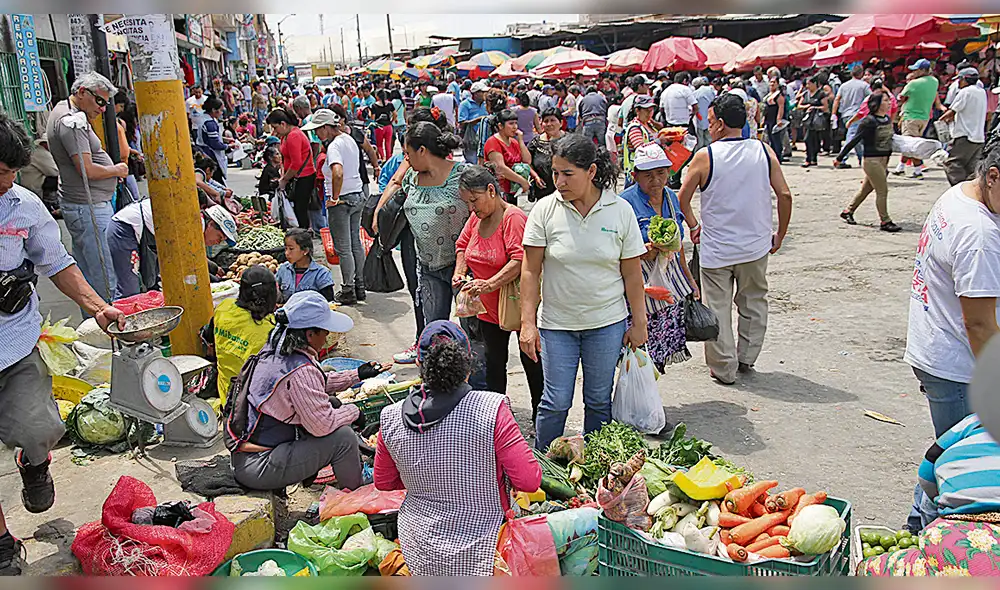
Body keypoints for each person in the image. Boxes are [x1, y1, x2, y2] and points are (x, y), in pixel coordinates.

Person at [0, 113, 125, 574]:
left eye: (14, 172)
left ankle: (34, 461)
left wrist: (97, 306)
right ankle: (2, 546)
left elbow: (57, 262)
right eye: (1, 173)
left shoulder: (23, 206)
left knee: (42, 430)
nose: (8, 182)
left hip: (13, 342)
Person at [374, 320, 541, 576]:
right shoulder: (492, 409)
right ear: (467, 365)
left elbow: (384, 482)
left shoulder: (390, 417)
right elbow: (529, 481)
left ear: (419, 364)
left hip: (418, 549)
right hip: (484, 550)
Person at [521, 134, 648, 451]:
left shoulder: (619, 211)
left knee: (598, 399)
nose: (559, 181)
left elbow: (632, 273)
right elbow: (530, 270)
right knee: (555, 401)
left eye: (567, 174)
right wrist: (527, 323)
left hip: (606, 323)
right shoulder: (544, 211)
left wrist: (640, 322)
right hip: (557, 325)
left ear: (591, 172)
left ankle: (594, 465)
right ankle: (544, 466)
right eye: (555, 172)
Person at [903, 133, 1000, 530]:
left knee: (947, 453)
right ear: (993, 176)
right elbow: (978, 324)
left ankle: (916, 526)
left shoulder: (962, 192)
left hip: (938, 349)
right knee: (962, 466)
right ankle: (929, 540)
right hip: (960, 368)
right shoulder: (979, 236)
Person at [678, 93, 793, 385]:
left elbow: (682, 198)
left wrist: (694, 225)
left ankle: (724, 368)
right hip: (755, 246)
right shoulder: (763, 151)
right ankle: (747, 358)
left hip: (717, 250)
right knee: (753, 301)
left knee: (717, 306)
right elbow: (784, 194)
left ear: (717, 123)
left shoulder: (707, 156)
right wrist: (780, 233)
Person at [228, 291, 387, 493]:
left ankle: (349, 474)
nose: (327, 337)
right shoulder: (299, 370)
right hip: (258, 465)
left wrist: (358, 374)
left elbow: (315, 383)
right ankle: (357, 496)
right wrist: (355, 412)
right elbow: (323, 425)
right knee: (344, 438)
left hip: (250, 456)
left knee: (334, 404)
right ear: (309, 334)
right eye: (324, 332)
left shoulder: (275, 351)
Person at [453, 167, 545, 415]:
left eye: (475, 200)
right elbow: (461, 245)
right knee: (494, 364)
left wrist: (490, 283)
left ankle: (542, 416)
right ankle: (498, 418)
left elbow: (520, 259)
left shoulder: (512, 218)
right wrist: (460, 272)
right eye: (467, 203)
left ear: (491, 190)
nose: (472, 208)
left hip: (516, 304)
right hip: (487, 309)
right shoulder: (476, 218)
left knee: (532, 361)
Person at [46, 72, 128, 302]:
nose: (102, 109)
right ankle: (109, 327)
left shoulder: (66, 112)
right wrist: (117, 170)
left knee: (90, 271)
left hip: (84, 204)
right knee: (103, 274)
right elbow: (87, 169)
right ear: (82, 92)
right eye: (99, 101)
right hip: (88, 207)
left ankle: (97, 326)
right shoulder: (72, 122)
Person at [620, 144, 699, 373]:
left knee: (659, 350)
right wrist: (644, 250)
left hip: (667, 288)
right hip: (639, 290)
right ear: (635, 176)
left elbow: (679, 244)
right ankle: (637, 400)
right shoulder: (624, 203)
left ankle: (648, 397)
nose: (655, 180)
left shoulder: (672, 199)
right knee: (636, 352)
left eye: (661, 173)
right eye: (648, 175)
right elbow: (615, 249)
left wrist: (689, 280)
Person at [107, 202, 237, 299]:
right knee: (129, 289)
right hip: (125, 230)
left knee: (152, 284)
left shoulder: (197, 226)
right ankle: (122, 328)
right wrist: (219, 281)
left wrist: (214, 269)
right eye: (219, 237)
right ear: (210, 225)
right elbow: (186, 264)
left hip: (145, 235)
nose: (218, 242)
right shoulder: (192, 226)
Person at [302, 109, 366, 304]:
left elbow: (337, 172)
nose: (316, 134)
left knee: (344, 247)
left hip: (343, 200)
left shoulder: (334, 146)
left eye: (317, 130)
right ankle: (359, 285)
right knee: (355, 243)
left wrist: (335, 198)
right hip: (357, 195)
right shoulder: (348, 139)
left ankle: (348, 289)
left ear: (325, 128)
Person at [203, 265, 277, 405]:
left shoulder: (223, 307)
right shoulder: (271, 330)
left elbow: (209, 336)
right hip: (252, 405)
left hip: (226, 395)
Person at [836, 93, 901, 232]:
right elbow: (854, 140)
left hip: (884, 161)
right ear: (876, 104)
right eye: (885, 100)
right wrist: (840, 157)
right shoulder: (868, 121)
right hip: (872, 161)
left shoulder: (886, 119)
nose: (889, 103)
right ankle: (885, 221)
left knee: (866, 189)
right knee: (882, 191)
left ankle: (848, 211)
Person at [267, 108, 316, 230]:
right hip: (294, 177)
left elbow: (296, 164)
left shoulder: (294, 136)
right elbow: (286, 159)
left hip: (304, 177)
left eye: (275, 127)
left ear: (283, 124)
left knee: (301, 209)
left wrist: (284, 179)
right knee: (296, 208)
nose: (274, 131)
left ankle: (303, 235)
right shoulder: (286, 135)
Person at [895, 59, 943, 179]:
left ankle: (918, 170)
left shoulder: (913, 84)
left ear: (922, 70)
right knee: (912, 141)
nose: (914, 72)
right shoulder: (934, 81)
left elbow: (901, 97)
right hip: (924, 117)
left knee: (911, 145)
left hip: (911, 116)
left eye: (916, 70)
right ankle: (900, 167)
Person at [940, 68, 988, 186]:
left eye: (959, 80)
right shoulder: (981, 92)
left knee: (952, 163)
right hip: (978, 136)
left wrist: (940, 122)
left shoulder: (965, 92)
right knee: (971, 167)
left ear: (964, 80)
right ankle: (972, 190)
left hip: (965, 135)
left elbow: (952, 112)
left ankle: (960, 189)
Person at [484, 109, 541, 203]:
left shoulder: (514, 142)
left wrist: (521, 141)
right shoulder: (493, 142)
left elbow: (527, 161)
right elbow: (501, 168)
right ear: (500, 126)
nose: (515, 127)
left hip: (513, 190)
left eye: (516, 123)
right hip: (500, 191)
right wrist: (522, 181)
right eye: (511, 124)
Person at [275, 228, 336, 302]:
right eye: (285, 249)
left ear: (305, 251)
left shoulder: (321, 274)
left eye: (291, 249)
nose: (286, 253)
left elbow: (329, 303)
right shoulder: (283, 269)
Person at [831, 65, 872, 170]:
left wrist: (834, 113)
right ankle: (842, 159)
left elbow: (837, 99)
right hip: (858, 114)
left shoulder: (844, 86)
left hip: (845, 114)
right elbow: (871, 98)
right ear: (861, 73)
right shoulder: (864, 86)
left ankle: (862, 158)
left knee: (856, 137)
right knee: (852, 137)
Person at [195, 95, 237, 184]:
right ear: (214, 110)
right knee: (216, 181)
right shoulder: (210, 123)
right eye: (221, 110)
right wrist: (228, 146)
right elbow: (215, 144)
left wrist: (225, 139)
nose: (222, 113)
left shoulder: (203, 119)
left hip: (204, 152)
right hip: (211, 155)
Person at [527, 108, 565, 202]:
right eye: (546, 121)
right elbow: (527, 162)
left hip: (564, 189)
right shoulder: (536, 142)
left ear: (561, 123)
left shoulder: (568, 141)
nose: (549, 124)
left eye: (552, 120)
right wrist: (535, 176)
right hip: (542, 190)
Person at [18, 133, 59, 216]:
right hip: (34, 187)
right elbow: (54, 172)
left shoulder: (39, 151)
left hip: (30, 185)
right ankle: (51, 204)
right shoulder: (41, 153)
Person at [622, 95, 659, 186]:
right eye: (646, 110)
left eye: (651, 110)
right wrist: (659, 141)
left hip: (649, 170)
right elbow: (640, 148)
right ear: (637, 110)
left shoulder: (649, 125)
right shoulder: (635, 127)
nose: (649, 113)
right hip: (636, 173)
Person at [798, 76, 830, 168]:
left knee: (815, 139)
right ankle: (809, 159)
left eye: (810, 83)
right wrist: (807, 106)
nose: (808, 86)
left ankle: (812, 159)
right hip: (807, 119)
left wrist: (815, 108)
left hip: (817, 120)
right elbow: (799, 105)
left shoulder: (821, 94)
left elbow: (825, 107)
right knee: (807, 139)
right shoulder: (806, 94)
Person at [458, 82, 489, 164]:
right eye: (482, 92)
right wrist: (477, 120)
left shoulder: (486, 104)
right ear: (475, 93)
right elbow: (462, 122)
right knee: (472, 163)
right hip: (471, 139)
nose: (484, 94)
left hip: (484, 139)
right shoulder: (465, 104)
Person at [763, 78, 787, 161]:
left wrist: (779, 119)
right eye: (771, 82)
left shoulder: (779, 95)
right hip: (768, 118)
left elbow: (781, 107)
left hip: (775, 118)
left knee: (776, 138)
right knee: (770, 138)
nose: (772, 84)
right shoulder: (769, 94)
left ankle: (778, 156)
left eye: (774, 82)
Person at [692, 77, 717, 153]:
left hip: (700, 117)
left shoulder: (696, 93)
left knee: (700, 139)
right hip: (711, 116)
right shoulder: (711, 90)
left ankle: (700, 154)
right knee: (709, 138)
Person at [372, 90, 396, 162]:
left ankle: (382, 159)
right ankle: (388, 159)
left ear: (377, 96)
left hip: (379, 126)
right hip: (388, 126)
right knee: (388, 144)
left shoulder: (374, 105)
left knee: (379, 145)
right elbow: (395, 114)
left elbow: (373, 118)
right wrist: (391, 121)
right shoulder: (390, 104)